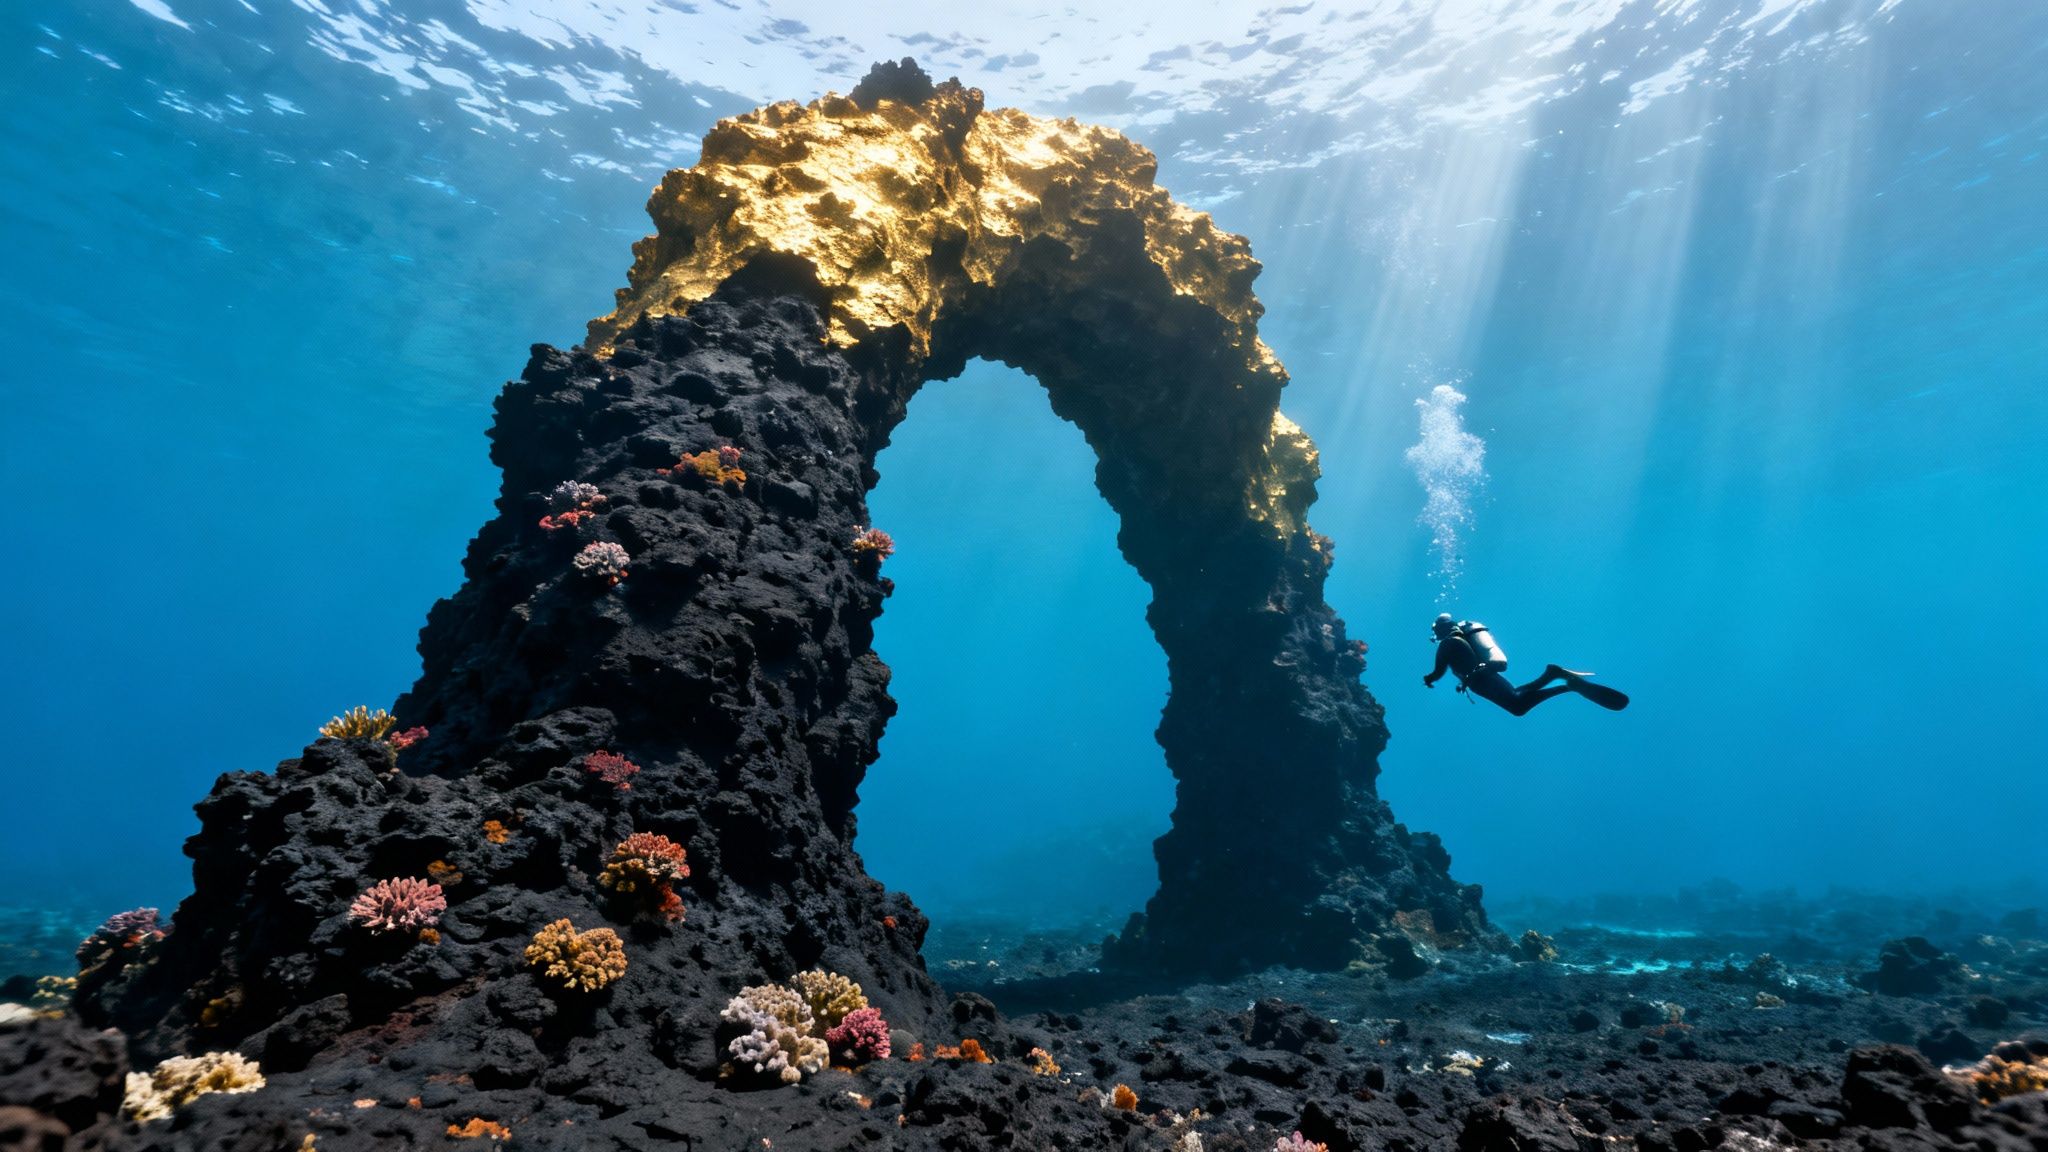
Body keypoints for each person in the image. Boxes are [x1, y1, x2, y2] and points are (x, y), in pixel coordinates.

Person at [1422, 613, 1629, 715]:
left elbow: (1439, 669)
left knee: (1518, 706)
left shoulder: (1448, 643)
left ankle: (1565, 685)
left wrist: (1430, 678)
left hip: (1482, 677)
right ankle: (1552, 676)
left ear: (1441, 629)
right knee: (1517, 698)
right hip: (1483, 677)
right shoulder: (1456, 641)